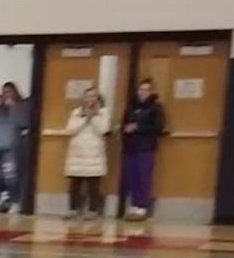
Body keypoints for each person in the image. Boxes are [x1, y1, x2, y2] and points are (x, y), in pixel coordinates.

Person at [121, 78, 166, 220]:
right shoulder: (131, 106)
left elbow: (158, 127)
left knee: (143, 177)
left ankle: (142, 206)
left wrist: (138, 127)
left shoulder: (156, 107)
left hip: (145, 147)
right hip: (130, 147)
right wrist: (126, 129)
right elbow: (124, 123)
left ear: (151, 92)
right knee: (132, 177)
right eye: (141, 90)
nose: (142, 93)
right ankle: (134, 204)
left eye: (146, 90)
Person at [63, 86, 110, 221]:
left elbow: (103, 129)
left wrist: (94, 116)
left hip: (94, 153)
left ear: (97, 98)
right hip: (77, 154)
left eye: (93, 96)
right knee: (75, 184)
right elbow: (71, 129)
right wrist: (84, 118)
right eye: (88, 96)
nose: (90, 99)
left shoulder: (103, 112)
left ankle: (92, 210)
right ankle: (72, 209)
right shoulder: (76, 112)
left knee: (93, 184)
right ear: (83, 99)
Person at [0, 82, 28, 213]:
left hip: (10, 147)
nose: (6, 94)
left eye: (9, 92)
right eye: (4, 92)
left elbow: (24, 123)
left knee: (11, 176)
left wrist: (14, 108)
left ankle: (14, 202)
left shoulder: (21, 107)